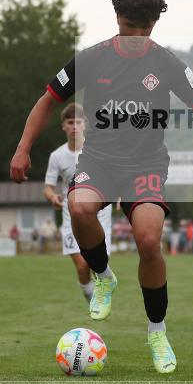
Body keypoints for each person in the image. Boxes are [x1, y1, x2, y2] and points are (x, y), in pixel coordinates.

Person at [10, 0, 193, 374]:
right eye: (129, 27)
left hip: (145, 165)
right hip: (99, 161)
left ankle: (157, 333)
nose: (136, 36)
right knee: (79, 208)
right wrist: (22, 148)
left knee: (148, 241)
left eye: (144, 29)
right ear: (117, 18)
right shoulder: (91, 59)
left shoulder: (167, 63)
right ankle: (103, 276)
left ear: (154, 24)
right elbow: (46, 102)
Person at [44, 102, 114, 305]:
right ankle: (90, 297)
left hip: (100, 215)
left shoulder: (98, 151)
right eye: (70, 122)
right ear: (63, 126)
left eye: (78, 122)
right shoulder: (57, 156)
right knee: (82, 265)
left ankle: (100, 292)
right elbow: (48, 187)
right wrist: (53, 197)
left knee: (96, 264)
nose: (74, 126)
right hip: (71, 216)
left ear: (85, 125)